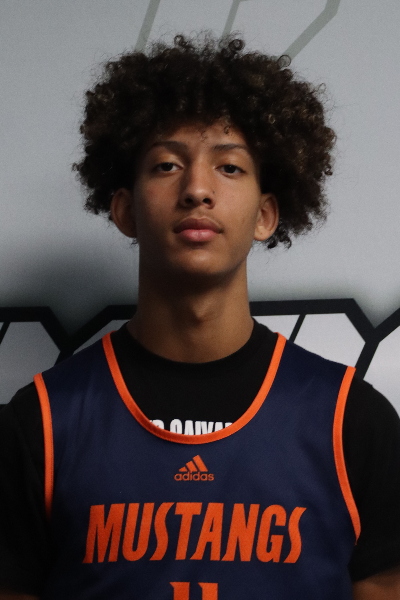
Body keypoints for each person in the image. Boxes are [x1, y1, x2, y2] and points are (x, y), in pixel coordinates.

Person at [0, 34, 400, 600]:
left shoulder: (352, 421)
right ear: (124, 210)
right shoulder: (39, 423)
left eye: (229, 167)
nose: (196, 189)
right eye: (166, 165)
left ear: (265, 215)